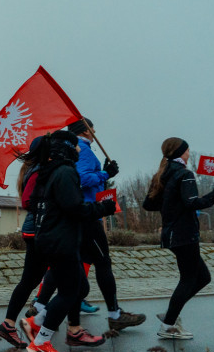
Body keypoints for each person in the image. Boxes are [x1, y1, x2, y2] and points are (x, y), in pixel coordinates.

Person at [34, 119, 145, 331]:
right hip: (87, 214)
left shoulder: (80, 150)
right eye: (92, 127)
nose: (94, 131)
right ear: (85, 130)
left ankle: (44, 311)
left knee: (72, 272)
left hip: (83, 215)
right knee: (102, 263)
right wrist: (106, 174)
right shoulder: (83, 149)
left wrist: (104, 174)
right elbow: (83, 178)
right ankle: (114, 314)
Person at [22, 131, 117, 352]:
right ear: (66, 147)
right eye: (75, 146)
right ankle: (41, 342)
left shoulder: (48, 171)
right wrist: (104, 208)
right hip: (60, 240)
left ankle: (38, 321)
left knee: (80, 287)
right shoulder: (65, 172)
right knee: (70, 292)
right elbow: (75, 208)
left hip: (51, 238)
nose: (79, 150)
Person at [142, 138, 214, 339]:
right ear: (181, 152)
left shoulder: (162, 173)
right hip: (184, 234)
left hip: (172, 234)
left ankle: (170, 315)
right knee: (189, 279)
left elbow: (148, 204)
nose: (189, 153)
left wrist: (170, 205)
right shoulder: (185, 174)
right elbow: (192, 203)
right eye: (187, 150)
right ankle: (168, 325)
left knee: (203, 277)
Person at [0, 137, 44, 348]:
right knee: (65, 280)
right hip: (38, 231)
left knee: (33, 280)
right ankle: (36, 322)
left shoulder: (33, 169)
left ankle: (14, 323)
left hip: (37, 230)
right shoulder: (38, 170)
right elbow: (27, 201)